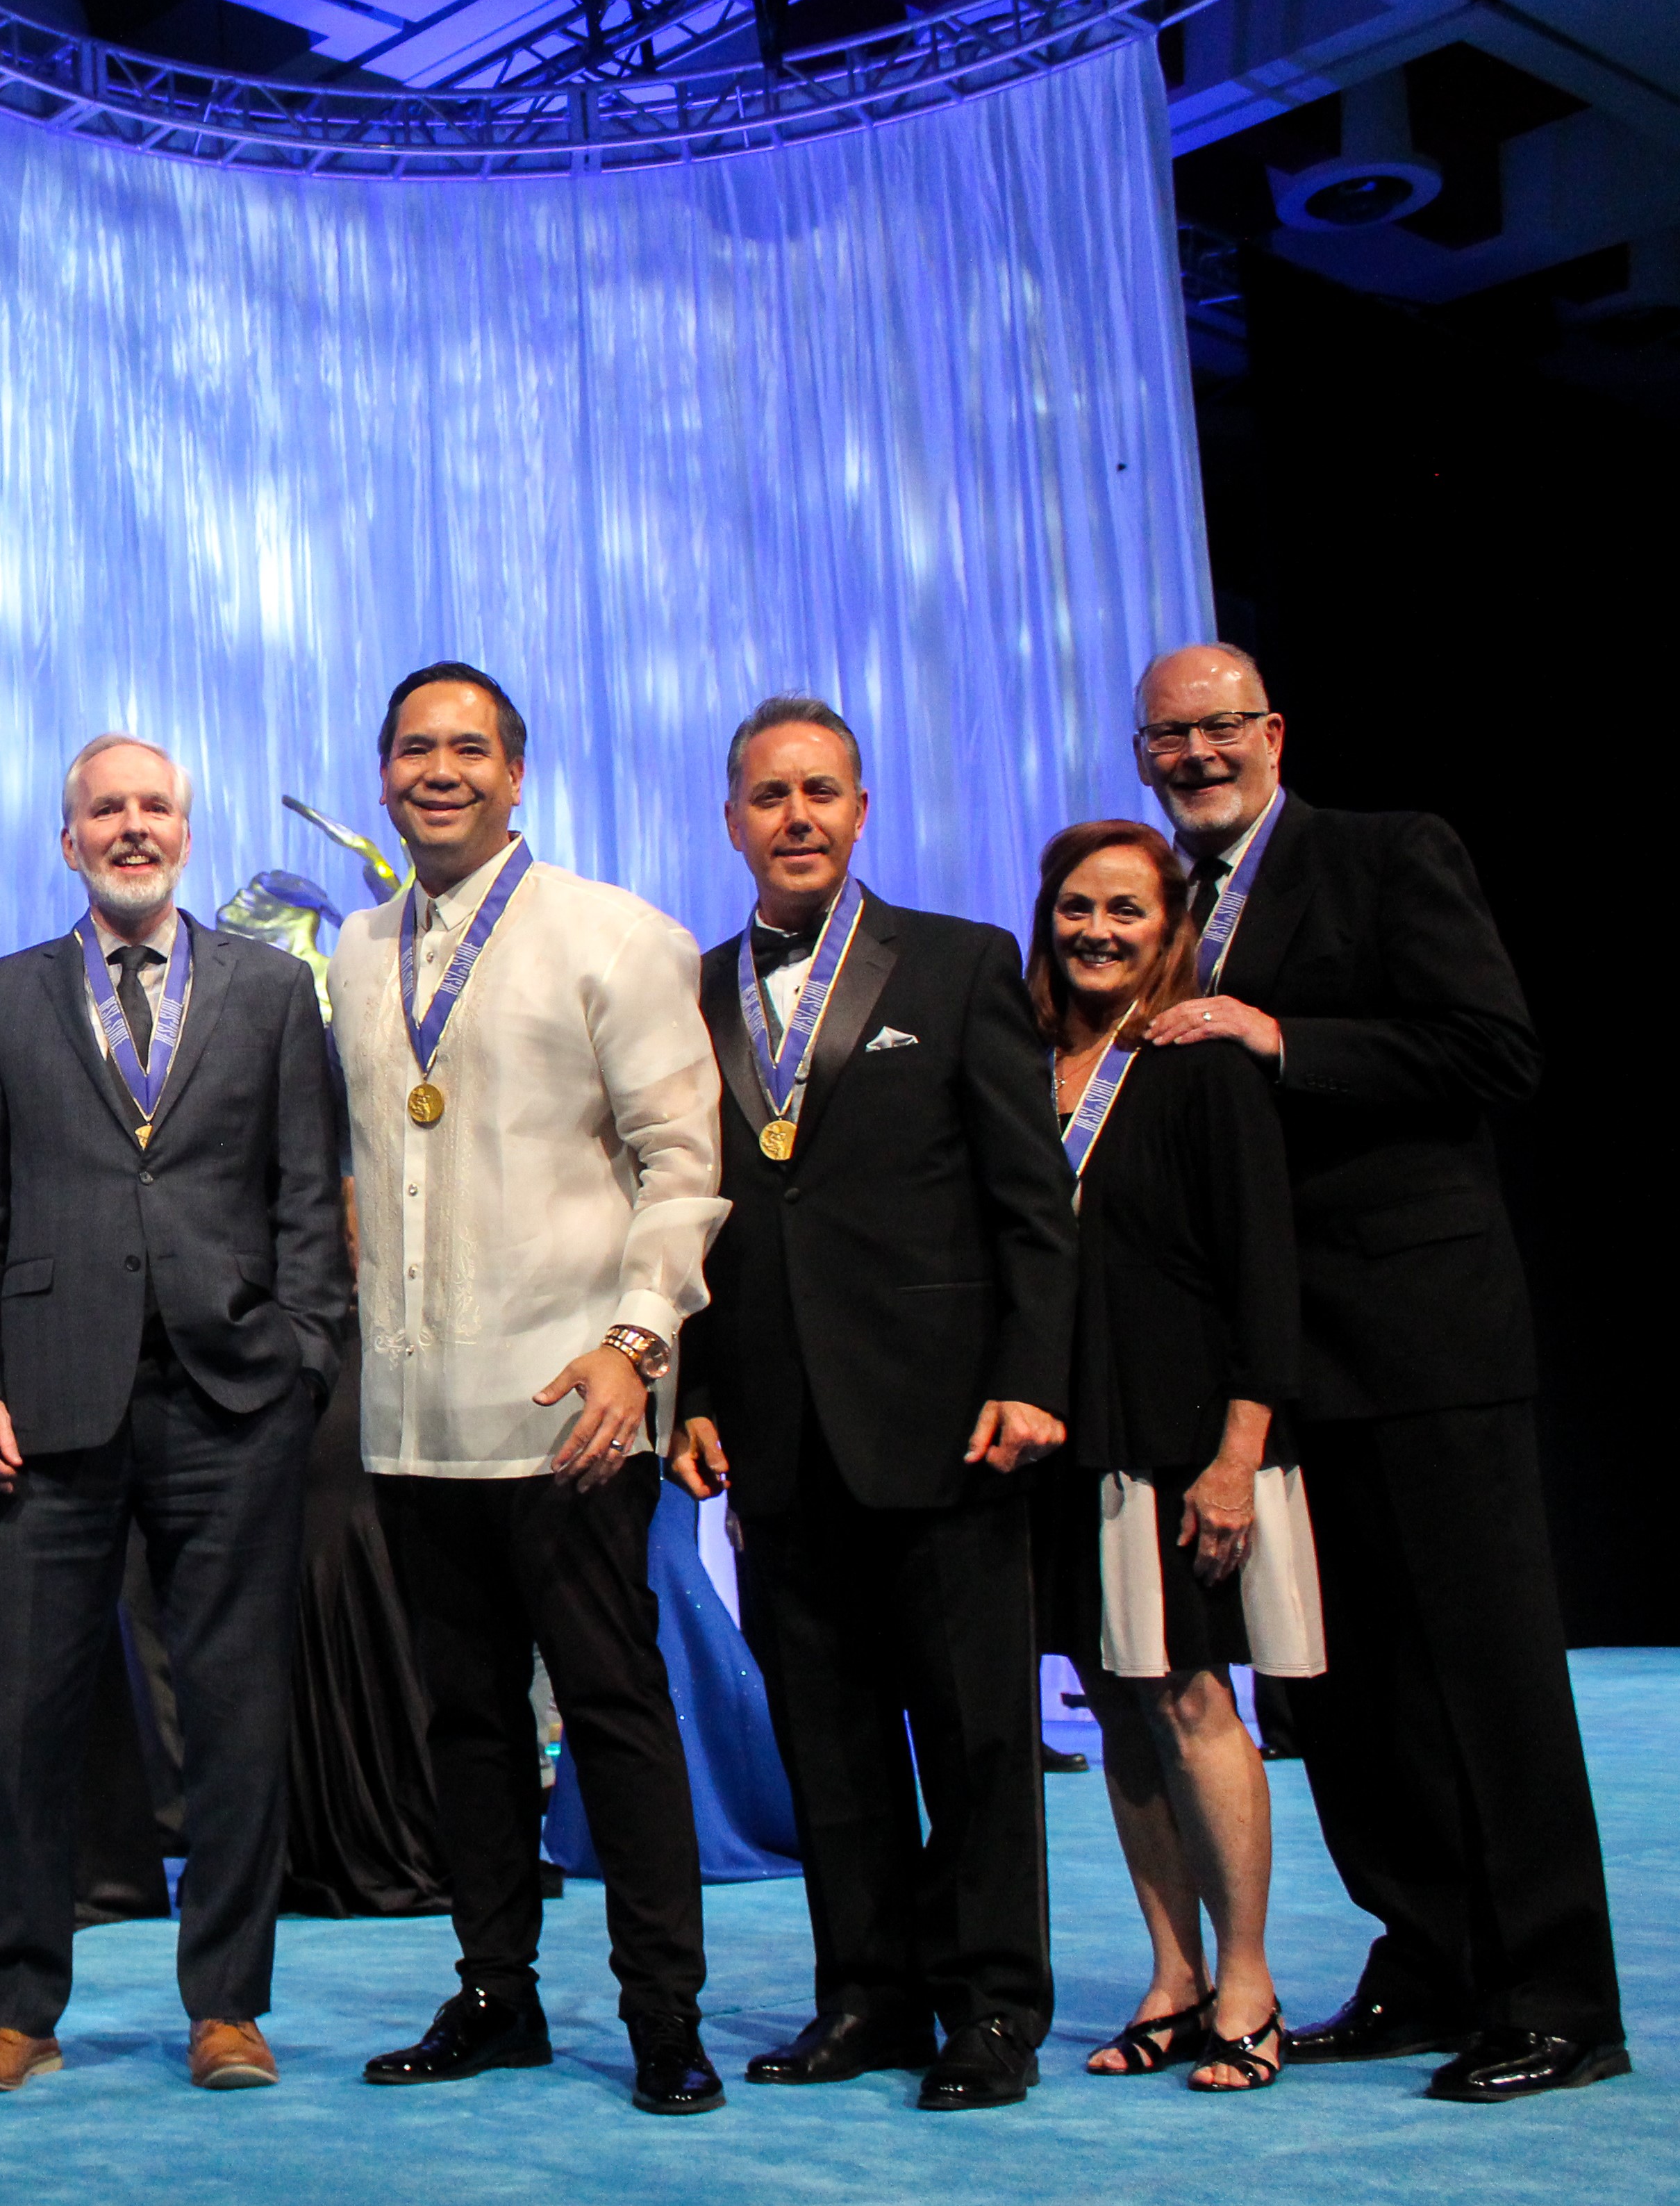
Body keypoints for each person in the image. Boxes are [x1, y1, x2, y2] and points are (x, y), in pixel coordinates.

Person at [1127, 642, 1625, 2100]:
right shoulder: (1159, 903)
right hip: (1268, 1371)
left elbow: (1492, 1051)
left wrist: (1283, 1038)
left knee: (1484, 1681)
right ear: (1141, 754)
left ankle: (1555, 1996)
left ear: (1272, 731)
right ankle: (1427, 1958)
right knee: (1339, 1691)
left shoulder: (1386, 854)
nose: (1197, 755)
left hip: (1419, 1344)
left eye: (1219, 728)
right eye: (1169, 737)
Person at [324, 667, 731, 2114]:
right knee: (468, 1721)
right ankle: (496, 1991)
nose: (441, 771)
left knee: (615, 1709)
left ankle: (662, 2014)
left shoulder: (614, 935)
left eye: (469, 749)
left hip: (575, 1401)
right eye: (415, 749)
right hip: (415, 1414)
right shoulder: (358, 955)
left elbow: (684, 1169)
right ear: (381, 778)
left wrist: (636, 1345)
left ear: (517, 774)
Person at [0, 733, 347, 2098]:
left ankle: (226, 2004)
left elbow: (304, 1193)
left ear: (184, 827)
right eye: (104, 810)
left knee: (232, 1717)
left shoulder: (275, 991)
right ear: (67, 840)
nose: (130, 827)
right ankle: (11, 2008)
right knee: (26, 1721)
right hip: (44, 1404)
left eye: (152, 806)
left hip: (232, 1400)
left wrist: (302, 1357)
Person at [672, 698, 1077, 2112]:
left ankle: (990, 2008)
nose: (796, 816)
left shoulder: (959, 964)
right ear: (731, 820)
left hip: (947, 1419)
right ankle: (867, 1993)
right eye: (769, 795)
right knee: (825, 1738)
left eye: (821, 791)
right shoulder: (697, 988)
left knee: (972, 1734)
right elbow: (690, 1218)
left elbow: (1032, 1202)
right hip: (776, 1431)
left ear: (860, 811)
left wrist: (1032, 1376)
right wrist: (694, 1391)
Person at [1023, 818, 1307, 2093]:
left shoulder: (1199, 1060)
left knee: (1192, 1697)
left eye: (1126, 911)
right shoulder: (1029, 1065)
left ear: (1169, 928)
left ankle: (1247, 1979)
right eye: (1078, 908)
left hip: (1181, 1434)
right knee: (1120, 1708)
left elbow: (1265, 1268)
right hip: (1063, 1440)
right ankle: (1171, 1974)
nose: (1098, 931)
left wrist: (1240, 1451)